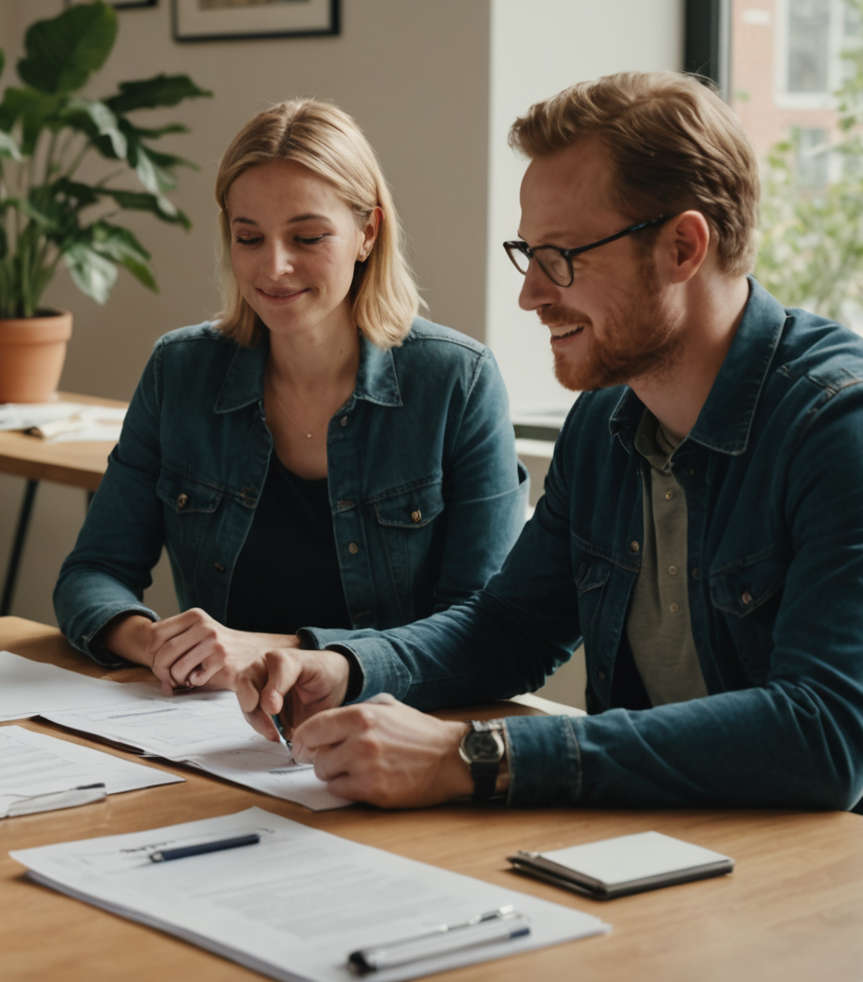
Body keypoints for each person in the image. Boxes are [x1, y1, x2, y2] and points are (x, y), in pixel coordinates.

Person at [235, 71, 863, 828]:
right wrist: (345, 666)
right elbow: (511, 627)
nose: (531, 294)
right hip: (658, 849)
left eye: (561, 256)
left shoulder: (853, 423)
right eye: (527, 254)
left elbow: (824, 737)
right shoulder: (607, 421)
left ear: (683, 247)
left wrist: (470, 757)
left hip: (859, 887)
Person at [53, 99, 526, 693]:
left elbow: (481, 630)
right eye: (248, 237)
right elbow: (92, 573)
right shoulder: (180, 370)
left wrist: (279, 653)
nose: (274, 267)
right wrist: (159, 643)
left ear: (367, 232)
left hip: (394, 728)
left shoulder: (458, 381)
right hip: (210, 725)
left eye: (307, 237)